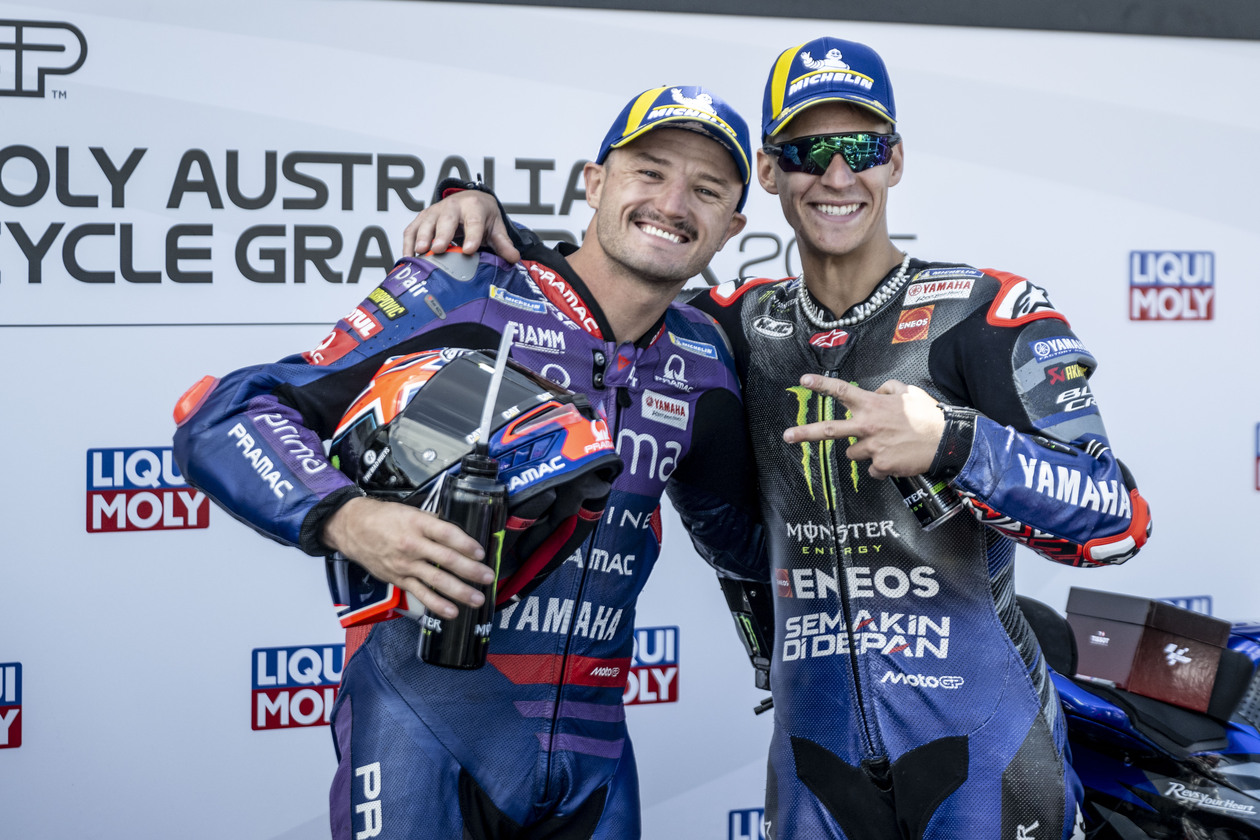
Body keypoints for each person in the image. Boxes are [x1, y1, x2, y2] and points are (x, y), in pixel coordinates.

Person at [410, 37, 1154, 840]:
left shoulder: (983, 312)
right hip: (814, 763)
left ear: (895, 161)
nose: (835, 176)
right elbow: (606, 285)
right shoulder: (728, 327)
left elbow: (1118, 521)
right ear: (769, 173)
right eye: (806, 152)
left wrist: (954, 443)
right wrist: (481, 212)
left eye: (860, 149)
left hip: (988, 756)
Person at [171, 84, 764, 840]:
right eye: (649, 172)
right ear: (594, 183)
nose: (673, 203)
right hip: (422, 732)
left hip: (594, 759)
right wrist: (350, 519)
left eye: (706, 189)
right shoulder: (468, 288)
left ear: (732, 225)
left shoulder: (705, 356)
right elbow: (228, 413)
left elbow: (744, 542)